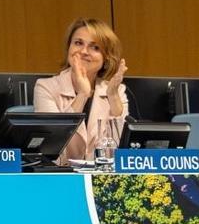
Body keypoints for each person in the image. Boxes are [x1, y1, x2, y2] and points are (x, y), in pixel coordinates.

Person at [33, 18, 129, 165]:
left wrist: (113, 96)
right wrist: (82, 95)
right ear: (69, 48)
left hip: (100, 178)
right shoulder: (46, 87)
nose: (84, 51)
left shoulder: (116, 91)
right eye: (78, 43)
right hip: (62, 177)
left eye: (95, 47)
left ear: (106, 57)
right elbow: (52, 148)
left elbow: (121, 151)